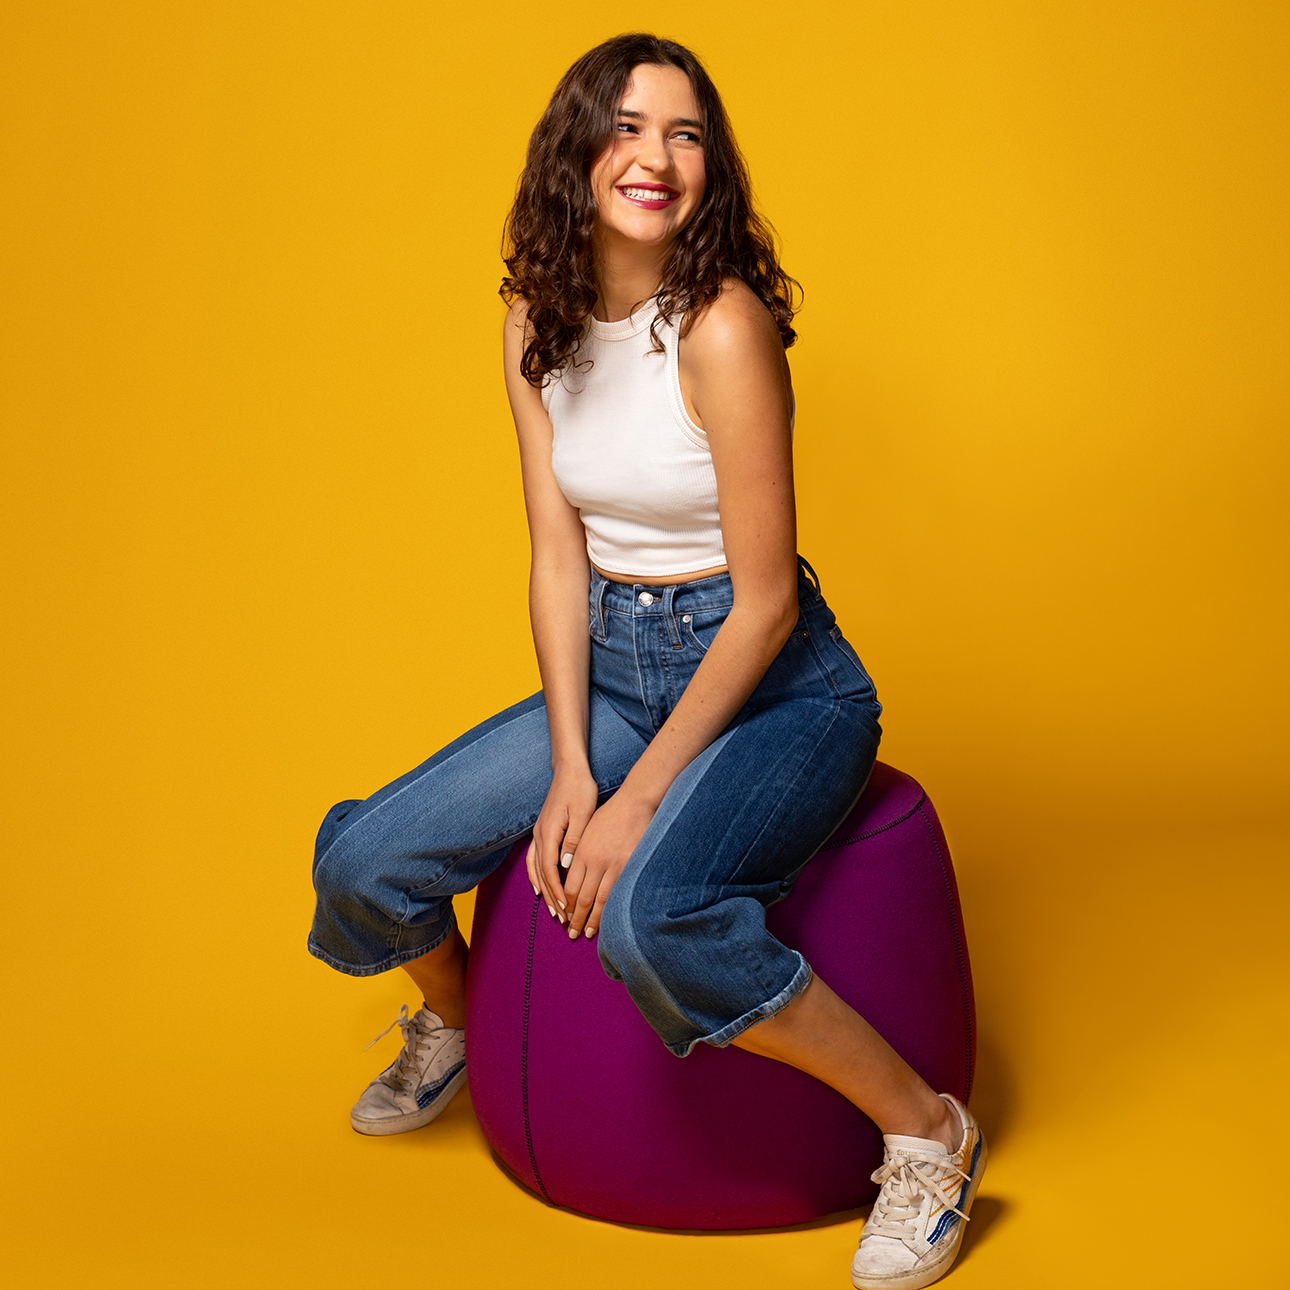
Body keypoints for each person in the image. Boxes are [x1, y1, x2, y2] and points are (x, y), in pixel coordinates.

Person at [308, 33, 986, 1290]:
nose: (655, 157)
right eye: (626, 127)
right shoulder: (534, 327)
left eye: (684, 134)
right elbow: (558, 559)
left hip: (781, 686)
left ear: (706, 166)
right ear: (579, 150)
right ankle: (452, 1025)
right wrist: (573, 766)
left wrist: (638, 798)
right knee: (361, 860)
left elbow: (768, 603)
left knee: (651, 918)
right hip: (619, 663)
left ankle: (926, 1132)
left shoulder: (722, 328)